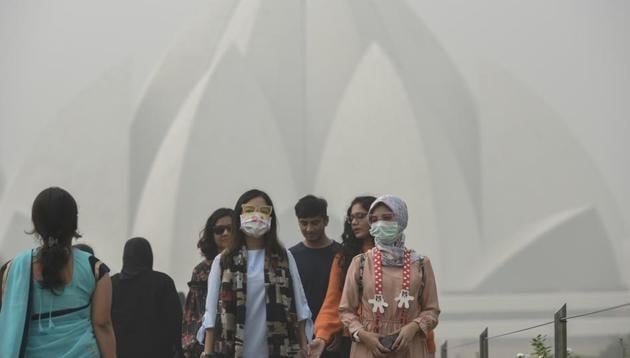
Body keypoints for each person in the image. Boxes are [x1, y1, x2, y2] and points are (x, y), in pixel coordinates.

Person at [0, 187, 116, 357]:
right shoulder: (95, 269)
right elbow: (102, 324)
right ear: (74, 223)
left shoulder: (12, 270)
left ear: (36, 224)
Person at [198, 189, 312, 358]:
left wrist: (304, 347)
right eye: (250, 210)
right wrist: (207, 352)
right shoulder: (224, 260)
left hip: (280, 348)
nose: (257, 216)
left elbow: (300, 306)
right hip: (234, 350)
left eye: (263, 210)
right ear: (239, 216)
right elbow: (211, 312)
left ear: (271, 217)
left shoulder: (283, 257)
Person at [339, 195, 440, 357]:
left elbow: (432, 310)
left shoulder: (421, 263)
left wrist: (414, 327)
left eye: (387, 218)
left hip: (410, 347)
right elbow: (345, 311)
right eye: (374, 219)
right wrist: (364, 335)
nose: (380, 224)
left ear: (401, 219)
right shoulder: (361, 262)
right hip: (368, 348)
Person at [309, 195, 376, 358]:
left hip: (389, 337)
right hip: (353, 339)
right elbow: (334, 300)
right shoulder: (344, 258)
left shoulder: (397, 256)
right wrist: (322, 336)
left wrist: (428, 341)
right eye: (351, 218)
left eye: (360, 217)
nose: (354, 222)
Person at [111, 237, 183, 358]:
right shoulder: (163, 282)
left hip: (119, 351)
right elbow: (175, 322)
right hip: (158, 351)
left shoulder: (111, 283)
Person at [182, 208, 235, 357]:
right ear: (211, 235)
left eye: (230, 229)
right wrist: (190, 347)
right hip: (209, 345)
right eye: (219, 230)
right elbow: (191, 313)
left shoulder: (248, 265)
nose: (225, 233)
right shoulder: (201, 271)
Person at [289, 195, 341, 327]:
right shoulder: (290, 256)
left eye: (315, 222)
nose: (309, 229)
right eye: (304, 223)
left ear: (326, 221)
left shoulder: (342, 254)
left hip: (335, 332)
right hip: (301, 333)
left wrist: (339, 329)